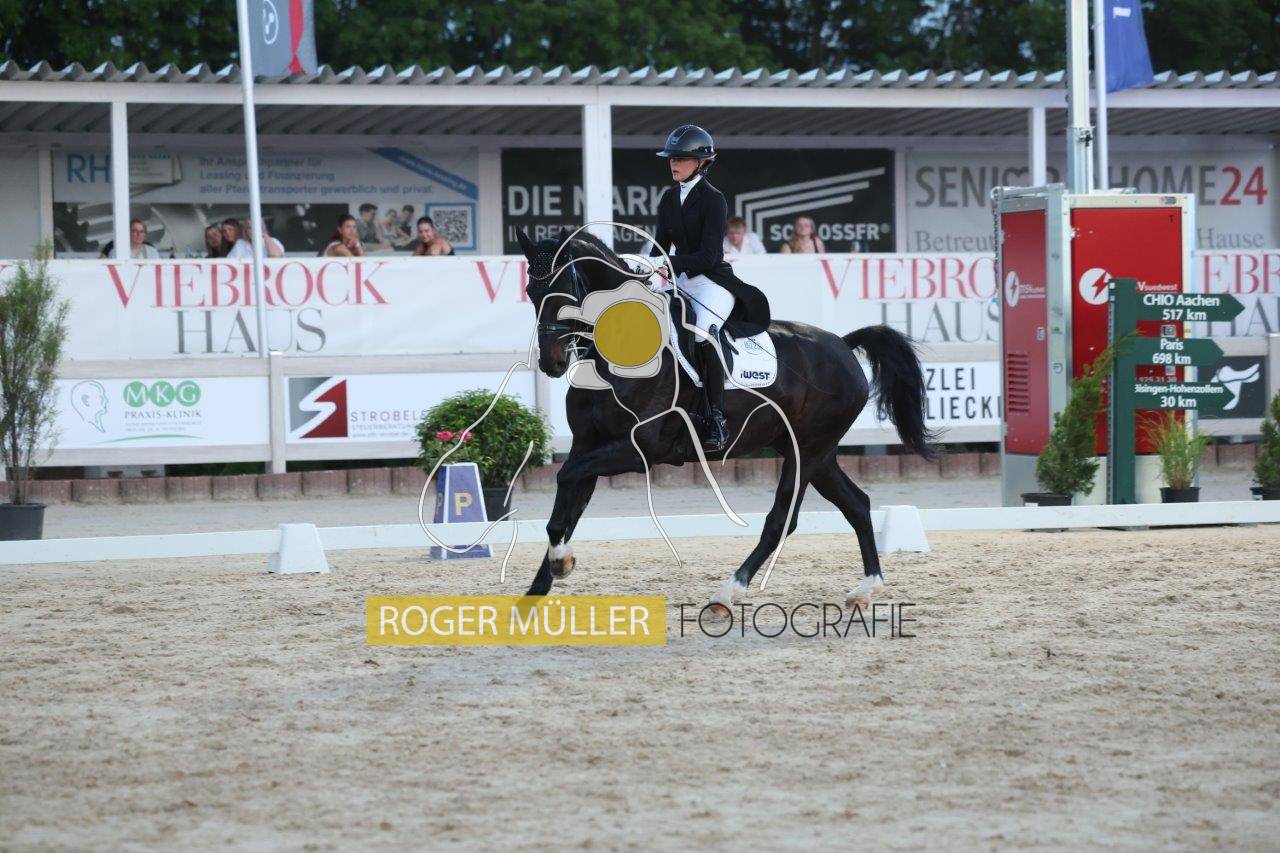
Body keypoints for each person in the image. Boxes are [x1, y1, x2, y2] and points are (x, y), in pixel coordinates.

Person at [647, 124, 771, 453]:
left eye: (681, 158)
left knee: (702, 333)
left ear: (701, 163)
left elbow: (708, 256)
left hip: (711, 282)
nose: (674, 163)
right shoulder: (669, 198)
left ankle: (716, 417)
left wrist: (668, 263)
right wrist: (647, 267)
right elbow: (660, 247)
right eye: (672, 158)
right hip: (680, 281)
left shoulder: (714, 200)